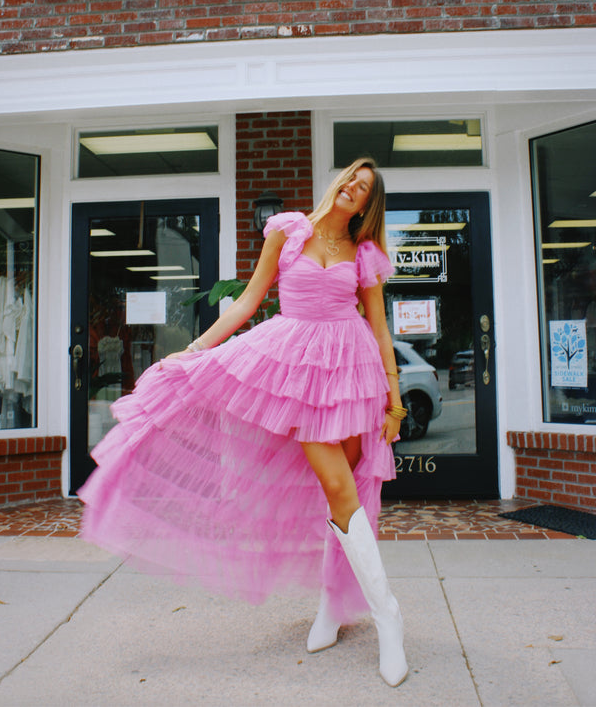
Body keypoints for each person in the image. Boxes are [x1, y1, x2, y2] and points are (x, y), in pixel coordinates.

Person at [79, 157, 408, 688]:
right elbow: (248, 302)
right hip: (296, 369)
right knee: (337, 486)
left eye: (364, 189)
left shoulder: (364, 254)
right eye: (351, 178)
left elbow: (379, 327)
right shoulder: (289, 232)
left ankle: (331, 605)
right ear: (339, 182)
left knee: (341, 495)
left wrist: (394, 399)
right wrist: (192, 350)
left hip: (352, 374)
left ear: (369, 206)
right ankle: (388, 615)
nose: (353, 188)